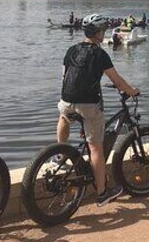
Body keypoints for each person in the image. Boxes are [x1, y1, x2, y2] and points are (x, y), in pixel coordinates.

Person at [57, 13, 139, 206]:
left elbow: (64, 76)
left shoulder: (71, 50)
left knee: (64, 117)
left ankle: (60, 153)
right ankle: (102, 193)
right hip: (89, 105)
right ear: (99, 33)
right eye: (103, 30)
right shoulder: (100, 54)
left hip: (67, 100)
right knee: (96, 147)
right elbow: (117, 81)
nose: (105, 33)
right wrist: (132, 91)